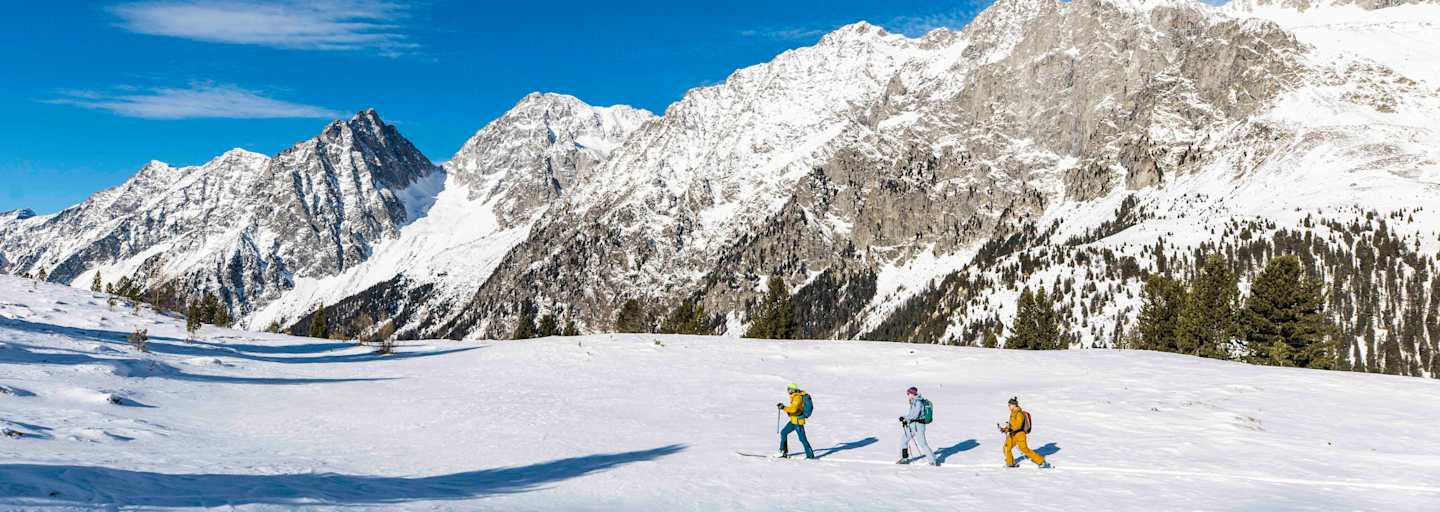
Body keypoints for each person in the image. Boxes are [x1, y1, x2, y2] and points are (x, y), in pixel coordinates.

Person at [999, 397, 1050, 468]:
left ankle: (1041, 461)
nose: (1009, 406)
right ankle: (1010, 463)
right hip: (1012, 434)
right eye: (1008, 405)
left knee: (1024, 449)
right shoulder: (1013, 413)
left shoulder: (1019, 413)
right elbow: (1012, 425)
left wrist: (1010, 429)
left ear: (1014, 405)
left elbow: (1018, 426)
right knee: (1006, 447)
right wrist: (1005, 429)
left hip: (1020, 435)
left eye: (1009, 405)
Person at [897, 386, 938, 466]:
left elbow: (915, 415)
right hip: (912, 425)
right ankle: (904, 458)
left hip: (919, 426)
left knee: (922, 444)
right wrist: (906, 420)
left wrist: (905, 418)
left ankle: (933, 461)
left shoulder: (918, 402)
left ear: (912, 394)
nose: (907, 395)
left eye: (908, 393)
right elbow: (911, 415)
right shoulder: (913, 402)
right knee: (903, 440)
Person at [775, 383, 815, 459]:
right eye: (788, 389)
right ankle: (783, 451)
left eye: (789, 389)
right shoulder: (794, 396)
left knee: (802, 439)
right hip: (793, 420)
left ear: (792, 390)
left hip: (798, 422)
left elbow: (793, 409)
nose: (788, 390)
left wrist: (783, 407)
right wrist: (784, 407)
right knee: (783, 432)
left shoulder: (797, 398)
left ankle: (810, 456)